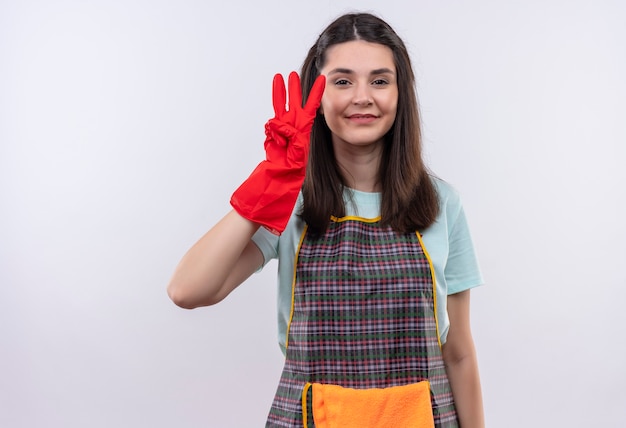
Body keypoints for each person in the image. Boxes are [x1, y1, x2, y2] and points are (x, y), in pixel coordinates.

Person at [168, 12, 485, 428]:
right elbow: (188, 290)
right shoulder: (291, 203)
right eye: (341, 81)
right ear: (314, 96)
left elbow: (458, 351)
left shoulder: (442, 203)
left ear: (400, 92)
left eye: (379, 80)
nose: (361, 96)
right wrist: (269, 183)